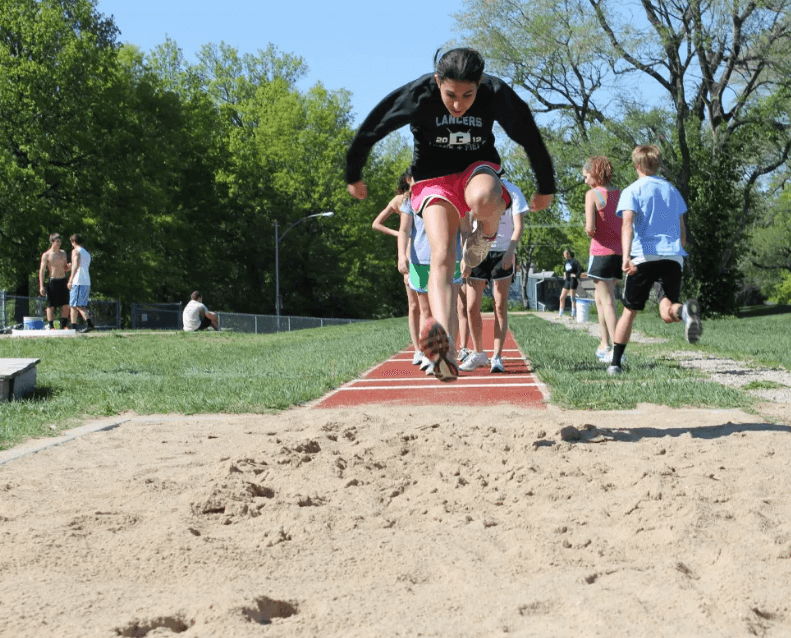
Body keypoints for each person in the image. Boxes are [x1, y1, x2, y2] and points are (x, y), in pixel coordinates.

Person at [346, 47, 555, 381]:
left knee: (485, 197)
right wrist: (353, 173)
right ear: (437, 82)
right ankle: (446, 349)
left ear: (480, 84)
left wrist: (545, 186)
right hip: (432, 179)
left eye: (468, 95)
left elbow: (527, 132)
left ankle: (485, 233)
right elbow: (375, 126)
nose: (458, 105)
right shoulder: (419, 93)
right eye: (451, 95)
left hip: (477, 167)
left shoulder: (495, 92)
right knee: (441, 253)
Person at [607, 145, 702, 375]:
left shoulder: (632, 190)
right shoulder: (672, 190)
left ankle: (615, 363)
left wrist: (626, 256)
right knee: (667, 312)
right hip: (672, 256)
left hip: (644, 256)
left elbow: (627, 225)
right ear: (658, 164)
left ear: (636, 165)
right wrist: (675, 252)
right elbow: (682, 232)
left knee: (629, 310)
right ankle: (686, 313)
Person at [397, 180, 465, 378]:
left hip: (450, 259)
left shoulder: (454, 191)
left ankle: (447, 354)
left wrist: (467, 256)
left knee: (449, 308)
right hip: (421, 260)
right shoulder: (410, 199)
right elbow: (403, 230)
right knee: (425, 310)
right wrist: (402, 255)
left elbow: (465, 229)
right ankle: (430, 353)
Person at [461, 178, 529, 373]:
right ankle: (478, 352)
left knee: (499, 305)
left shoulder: (513, 191)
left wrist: (511, 251)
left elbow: (518, 226)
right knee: (472, 306)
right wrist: (465, 256)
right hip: (478, 250)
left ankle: (497, 356)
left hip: (503, 252)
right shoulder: (473, 187)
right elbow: (466, 227)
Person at [372, 169, 423, 366]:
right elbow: (376, 223)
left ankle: (433, 346)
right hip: (409, 254)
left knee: (431, 303)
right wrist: (400, 235)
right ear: (408, 179)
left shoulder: (426, 195)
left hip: (427, 250)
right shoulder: (400, 201)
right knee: (414, 304)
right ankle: (417, 350)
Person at [583, 156, 622, 362]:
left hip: (600, 253)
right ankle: (604, 343)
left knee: (607, 302)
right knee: (601, 299)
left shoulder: (592, 195)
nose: (585, 180)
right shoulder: (621, 193)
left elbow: (591, 228)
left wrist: (589, 229)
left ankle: (617, 351)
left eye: (586, 176)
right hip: (618, 253)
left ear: (595, 173)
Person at [38, 233, 71, 329]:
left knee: (65, 304)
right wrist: (41, 286)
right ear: (52, 242)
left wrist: (69, 267)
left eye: (60, 241)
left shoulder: (63, 253)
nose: (59, 243)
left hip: (63, 280)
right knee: (51, 305)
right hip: (52, 281)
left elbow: (65, 268)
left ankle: (64, 325)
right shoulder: (46, 255)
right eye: (57, 241)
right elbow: (42, 271)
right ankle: (51, 325)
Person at [66, 234, 95, 332]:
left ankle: (89, 323)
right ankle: (73, 327)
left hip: (78, 281)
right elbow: (80, 264)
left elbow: (76, 266)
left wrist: (70, 279)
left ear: (73, 242)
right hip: (86, 281)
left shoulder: (75, 251)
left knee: (78, 305)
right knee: (73, 305)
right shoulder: (86, 253)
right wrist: (70, 265)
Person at [557, 249, 582, 318]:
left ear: (568, 254)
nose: (564, 256)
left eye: (565, 254)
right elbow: (565, 270)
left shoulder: (575, 261)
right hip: (567, 281)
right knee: (562, 297)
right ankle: (560, 314)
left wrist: (575, 275)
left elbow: (580, 270)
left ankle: (573, 315)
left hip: (573, 281)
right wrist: (564, 274)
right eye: (564, 255)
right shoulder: (566, 262)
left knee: (572, 298)